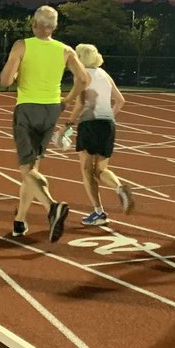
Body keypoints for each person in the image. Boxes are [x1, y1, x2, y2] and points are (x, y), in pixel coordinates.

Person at [0, 5, 86, 242]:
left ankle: (52, 207)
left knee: (26, 169)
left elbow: (5, 80)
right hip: (51, 110)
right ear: (54, 27)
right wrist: (66, 100)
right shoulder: (66, 50)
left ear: (34, 24)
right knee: (32, 170)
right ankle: (20, 221)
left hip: (27, 108)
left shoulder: (22, 45)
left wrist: (15, 75)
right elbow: (83, 79)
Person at [60, 43, 136, 226]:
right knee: (100, 169)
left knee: (87, 170)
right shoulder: (104, 74)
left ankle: (98, 212)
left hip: (89, 125)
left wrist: (67, 125)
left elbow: (79, 104)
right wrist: (109, 115)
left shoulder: (82, 76)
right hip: (108, 125)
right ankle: (119, 187)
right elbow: (120, 101)